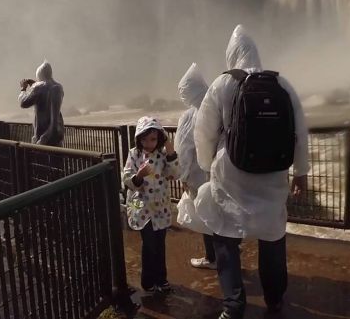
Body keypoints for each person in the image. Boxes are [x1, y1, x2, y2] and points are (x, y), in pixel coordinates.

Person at [194, 25, 309, 319]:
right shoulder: (281, 83)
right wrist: (301, 172)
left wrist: (207, 165)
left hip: (231, 171)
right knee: (272, 235)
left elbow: (203, 131)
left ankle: (233, 305)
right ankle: (274, 299)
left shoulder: (222, 84)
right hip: (273, 172)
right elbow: (300, 130)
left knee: (225, 234)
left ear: (231, 55)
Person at [123, 116, 179, 294]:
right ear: (138, 138)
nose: (149, 143)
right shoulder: (134, 154)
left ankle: (161, 280)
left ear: (159, 139)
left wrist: (171, 152)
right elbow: (126, 178)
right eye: (144, 139)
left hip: (160, 208)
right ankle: (148, 281)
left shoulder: (163, 155)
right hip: (142, 209)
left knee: (160, 244)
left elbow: (175, 173)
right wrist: (138, 176)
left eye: (153, 139)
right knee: (149, 244)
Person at [175, 62, 215, 269]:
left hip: (199, 175)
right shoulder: (219, 105)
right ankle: (227, 249)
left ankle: (212, 258)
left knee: (205, 214)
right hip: (222, 173)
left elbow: (183, 151)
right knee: (220, 212)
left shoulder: (189, 116)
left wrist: (183, 176)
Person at [18, 60, 64, 146]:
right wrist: (35, 84)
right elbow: (46, 91)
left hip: (42, 138)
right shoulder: (58, 87)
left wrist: (23, 89)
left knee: (42, 159)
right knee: (57, 158)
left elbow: (23, 103)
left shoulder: (38, 88)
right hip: (57, 137)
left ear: (39, 75)